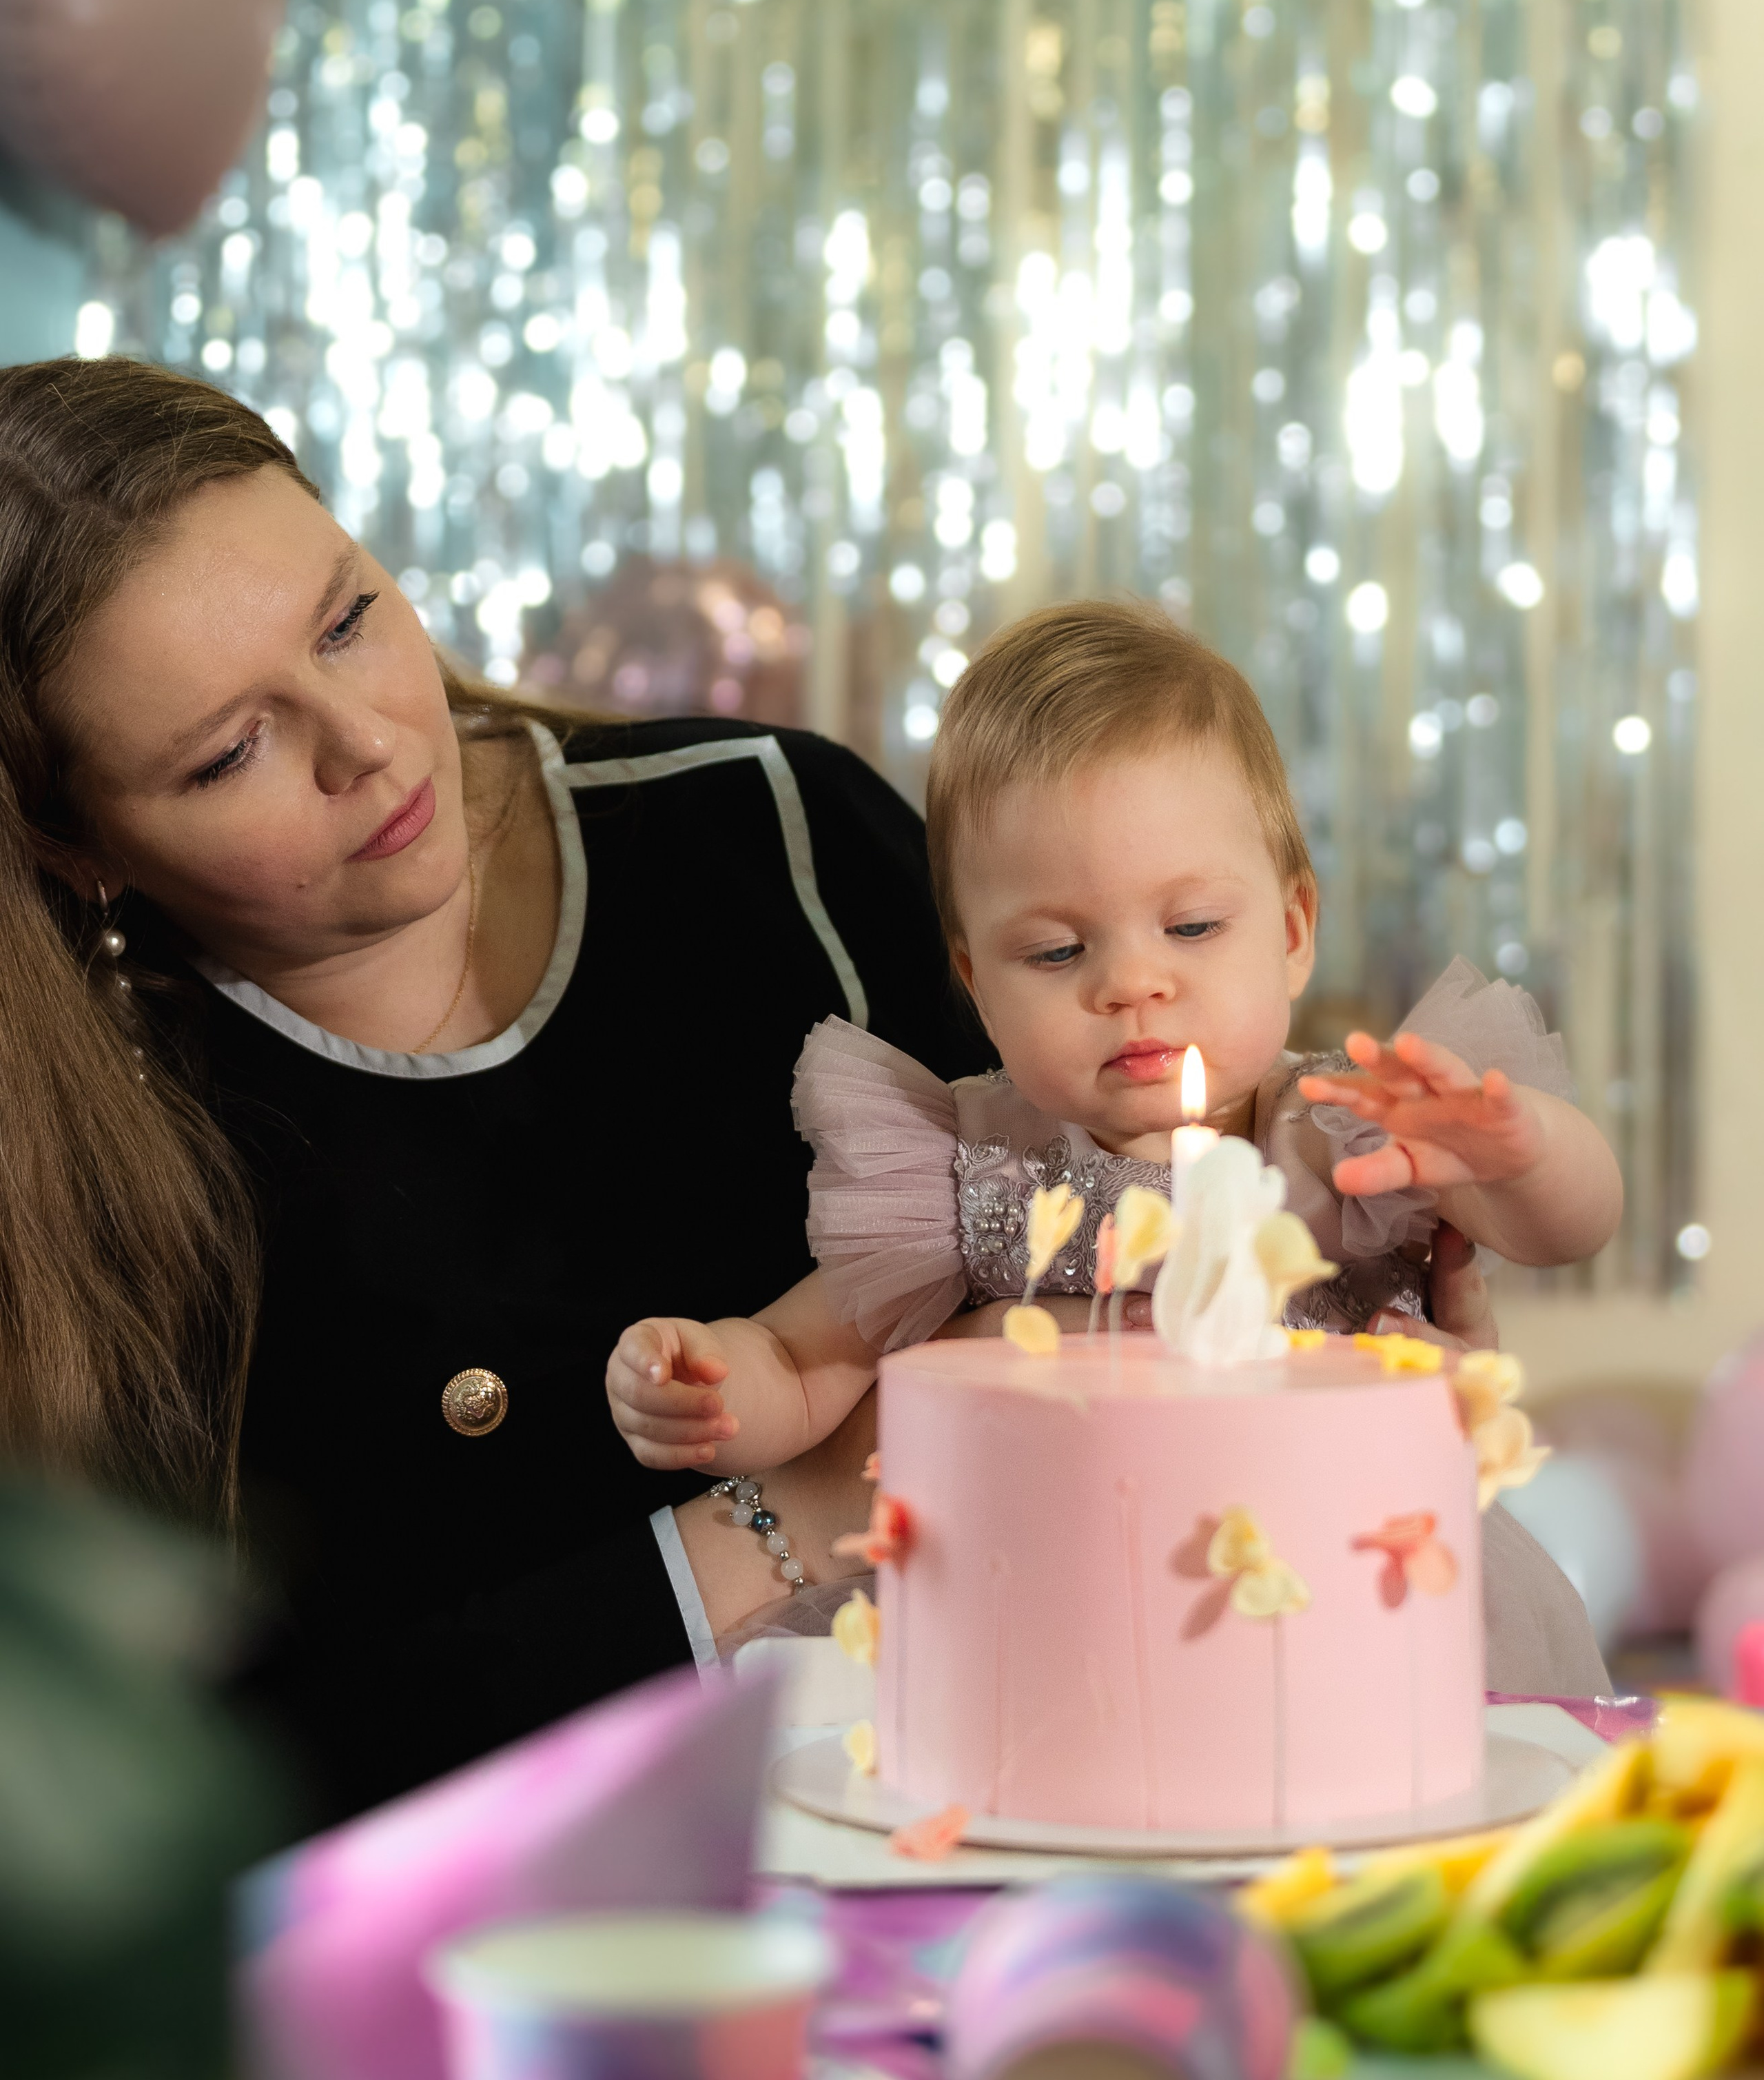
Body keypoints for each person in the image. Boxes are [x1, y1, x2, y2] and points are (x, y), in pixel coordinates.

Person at [0, 355, 989, 1823]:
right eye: (228, 752)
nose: (370, 744)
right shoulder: (86, 1156)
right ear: (80, 846)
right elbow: (235, 1784)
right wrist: (777, 1522)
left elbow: (1121, 1216)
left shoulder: (775, 826)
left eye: (346, 620)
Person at [611, 602, 1622, 1696]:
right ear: (974, 982)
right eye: (1055, 950)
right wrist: (716, 1384)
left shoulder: (1342, 1127)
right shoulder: (969, 1164)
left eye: (1191, 927)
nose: (1134, 984)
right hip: (1053, 1635)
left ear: (1290, 931)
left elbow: (1563, 1228)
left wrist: (1519, 1156)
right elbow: (812, 1362)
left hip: (1339, 1609)